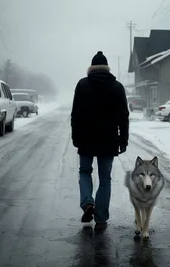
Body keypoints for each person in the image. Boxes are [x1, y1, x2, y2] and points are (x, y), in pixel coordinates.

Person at [71, 51, 129, 231]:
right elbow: (123, 116)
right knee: (105, 178)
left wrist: (76, 137)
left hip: (86, 139)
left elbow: (75, 114)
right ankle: (101, 218)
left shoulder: (82, 85)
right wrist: (123, 140)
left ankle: (88, 203)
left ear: (91, 68)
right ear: (107, 68)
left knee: (85, 172)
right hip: (108, 139)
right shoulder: (117, 87)